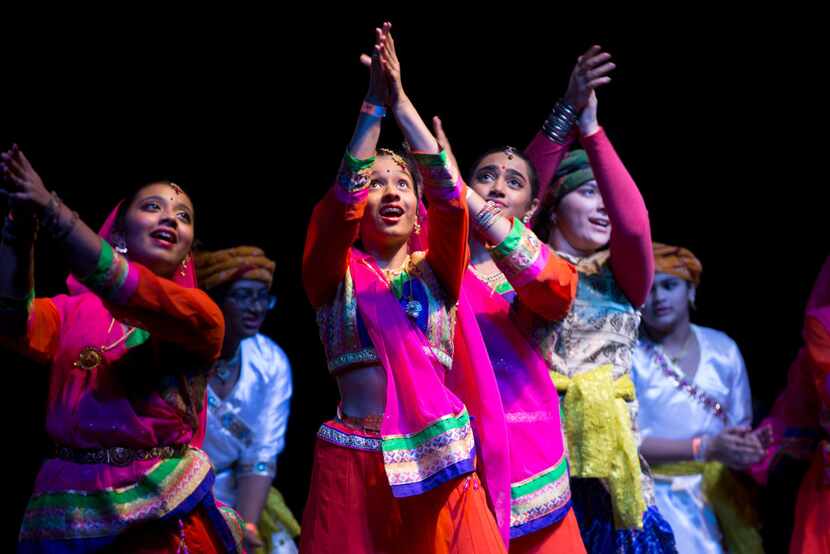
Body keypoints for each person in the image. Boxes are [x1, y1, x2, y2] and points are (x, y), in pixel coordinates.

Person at [0, 145, 243, 552]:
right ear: (116, 233)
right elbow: (11, 323)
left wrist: (52, 209)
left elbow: (125, 286)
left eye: (183, 216)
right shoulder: (69, 312)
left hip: (160, 512)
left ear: (187, 251)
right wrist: (19, 233)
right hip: (68, 504)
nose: (170, 217)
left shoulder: (200, 316)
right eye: (153, 207)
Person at [633, 242, 765, 553]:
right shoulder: (628, 355)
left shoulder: (723, 350)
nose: (659, 297)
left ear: (691, 291)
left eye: (670, 285)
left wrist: (750, 448)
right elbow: (621, 442)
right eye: (649, 289)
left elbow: (738, 426)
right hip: (650, 500)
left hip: (716, 499)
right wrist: (704, 447)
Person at [196, 246, 300, 553]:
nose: (256, 308)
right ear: (214, 298)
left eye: (262, 297)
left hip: (240, 494)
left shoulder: (269, 360)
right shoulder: (184, 355)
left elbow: (261, 452)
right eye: (243, 296)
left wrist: (247, 526)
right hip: (178, 490)